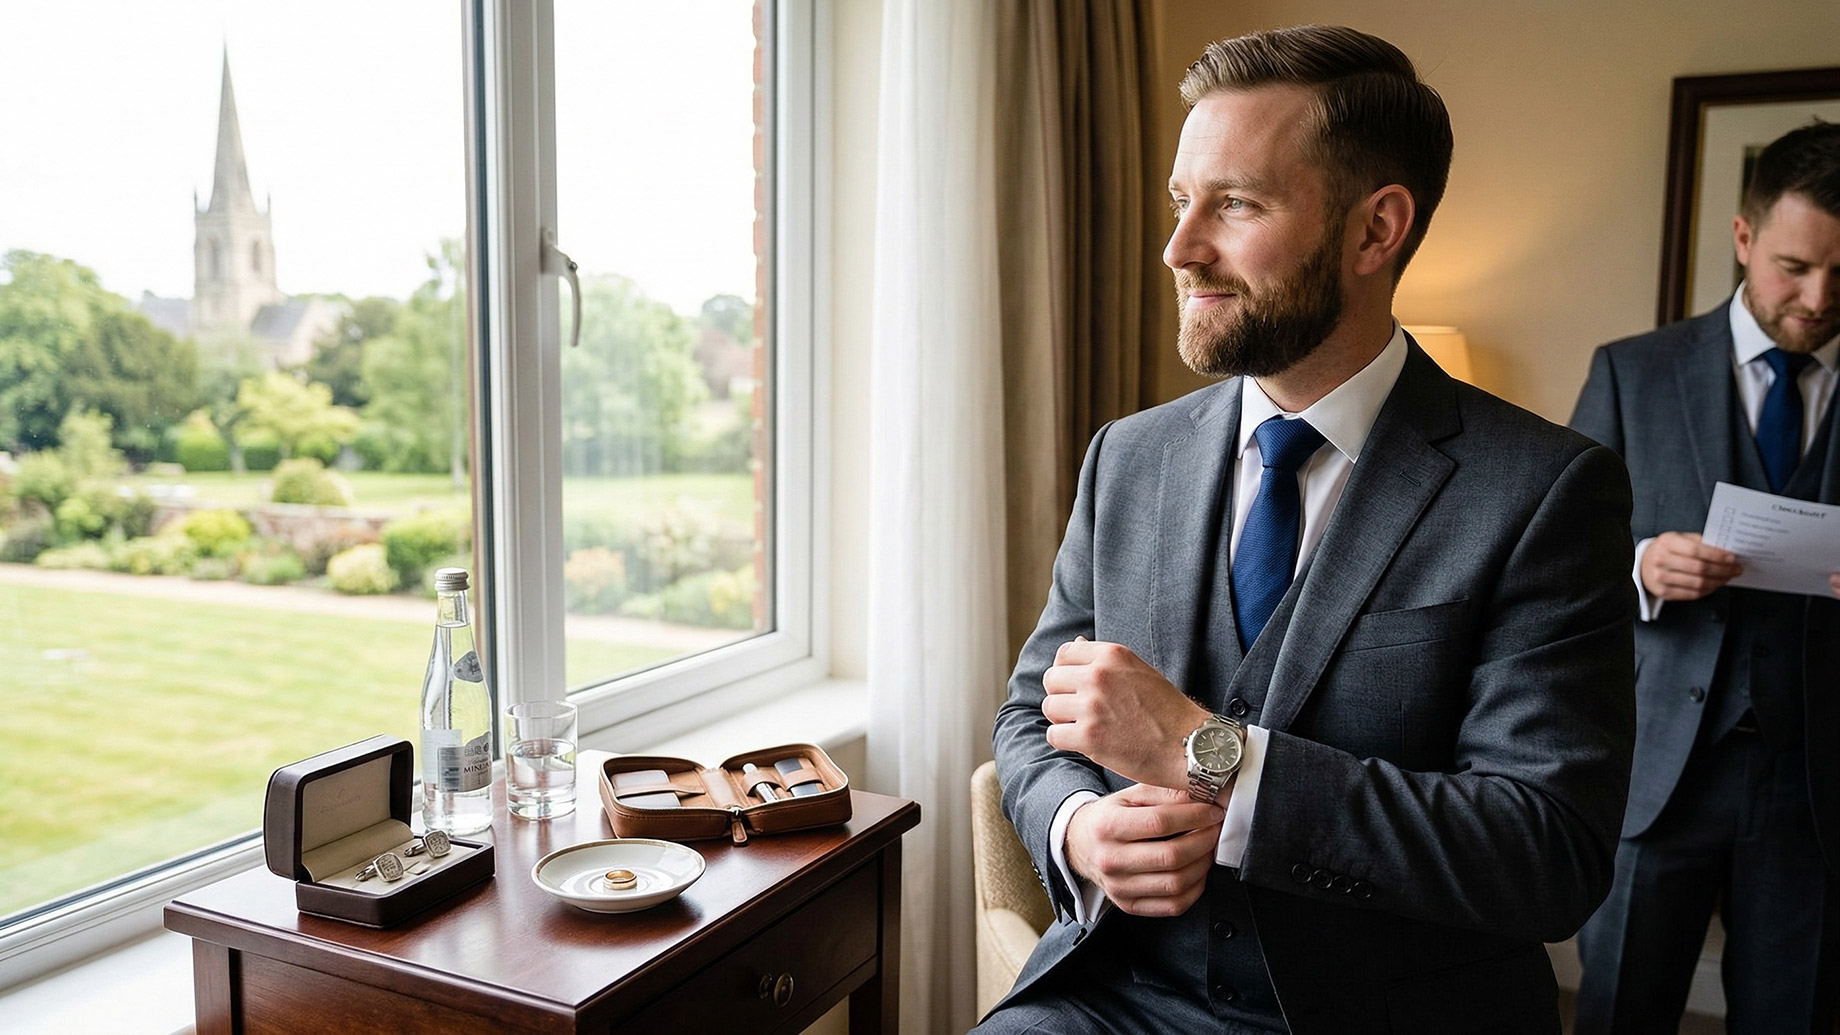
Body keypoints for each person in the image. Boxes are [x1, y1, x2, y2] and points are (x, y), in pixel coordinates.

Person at [979, 24, 1637, 1035]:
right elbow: (1031, 718)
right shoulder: (1129, 457)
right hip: (1115, 1000)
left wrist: (1210, 754)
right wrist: (1078, 828)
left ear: (1375, 231)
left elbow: (1546, 853)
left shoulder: (1546, 492)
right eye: (1179, 200)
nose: (1178, 247)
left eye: (1233, 204)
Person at [1569, 120, 1840, 1034]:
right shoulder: (1631, 372)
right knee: (1620, 1014)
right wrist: (1642, 564)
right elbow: (1557, 570)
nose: (1817, 296)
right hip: (1656, 771)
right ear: (1742, 239)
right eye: (1794, 267)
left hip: (1815, 782)